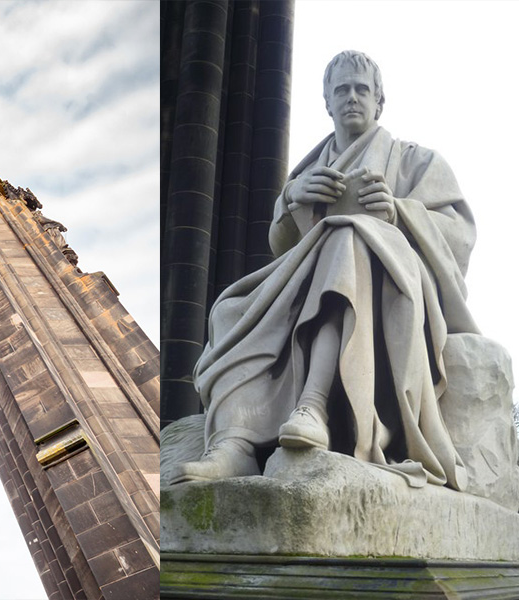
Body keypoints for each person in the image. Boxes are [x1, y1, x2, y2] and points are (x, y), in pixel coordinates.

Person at [174, 51, 479, 491]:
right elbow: (282, 249)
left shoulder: (417, 162)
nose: (352, 98)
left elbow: (459, 237)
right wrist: (294, 199)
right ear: (327, 102)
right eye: (342, 90)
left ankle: (313, 406)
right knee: (230, 309)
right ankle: (235, 442)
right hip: (312, 275)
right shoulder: (307, 171)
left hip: (390, 288)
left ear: (379, 102)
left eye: (362, 90)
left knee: (348, 237)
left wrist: (398, 214)